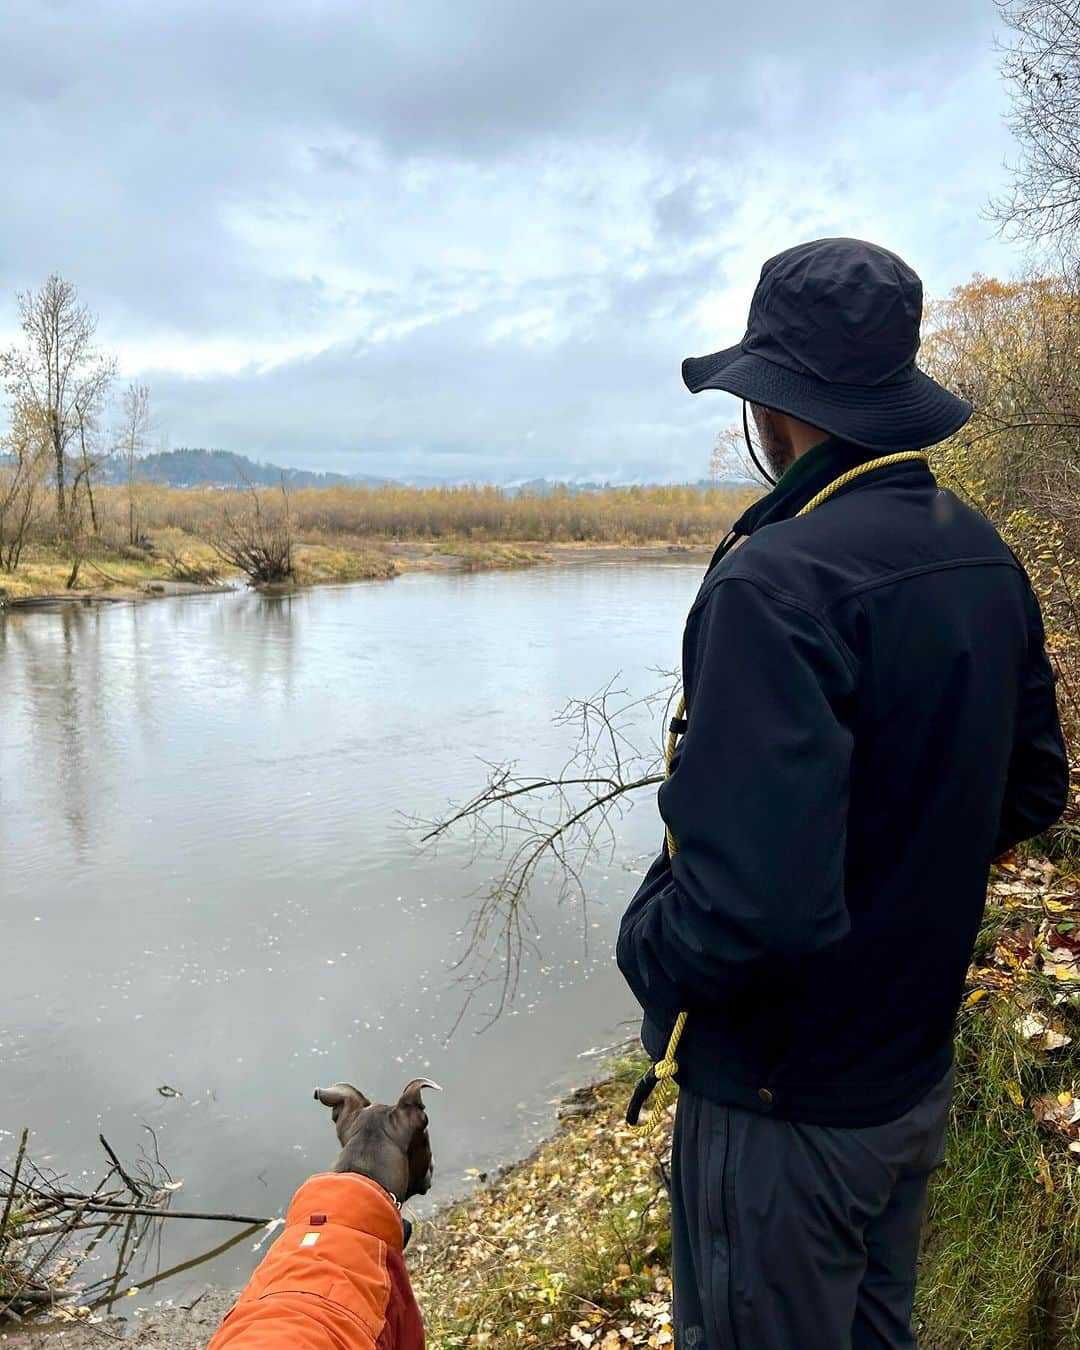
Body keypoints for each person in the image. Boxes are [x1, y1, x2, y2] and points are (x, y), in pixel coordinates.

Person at [616, 237, 1069, 1349]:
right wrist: (905, 879)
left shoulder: (777, 580)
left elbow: (747, 910)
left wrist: (646, 948)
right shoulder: (978, 550)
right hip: (906, 1084)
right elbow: (1035, 785)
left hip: (781, 1108)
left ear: (772, 408)